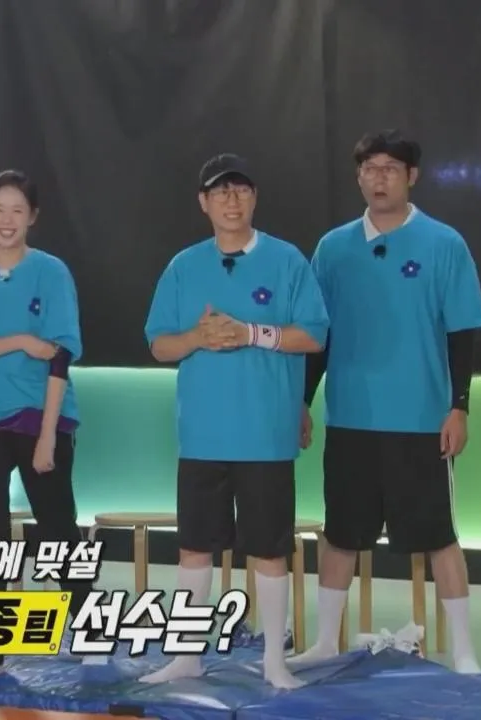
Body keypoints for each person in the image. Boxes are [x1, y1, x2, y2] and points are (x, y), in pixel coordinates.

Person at [289, 130, 481, 674]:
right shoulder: (333, 248)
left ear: (411, 177)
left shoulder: (444, 243)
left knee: (439, 537)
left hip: (421, 419)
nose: (380, 179)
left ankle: (464, 650)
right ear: (359, 176)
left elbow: (462, 332)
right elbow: (318, 336)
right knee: (341, 533)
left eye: (391, 169)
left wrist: (459, 405)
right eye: (370, 169)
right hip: (351, 416)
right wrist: (302, 401)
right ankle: (325, 642)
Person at [139, 154, 329, 689]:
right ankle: (186, 655)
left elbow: (314, 334)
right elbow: (158, 344)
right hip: (203, 434)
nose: (231, 199)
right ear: (203, 202)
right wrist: (197, 338)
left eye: (241, 189)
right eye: (220, 191)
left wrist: (252, 333)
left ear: (254, 198)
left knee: (268, 548)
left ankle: (273, 659)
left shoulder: (287, 260)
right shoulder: (183, 266)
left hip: (266, 435)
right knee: (194, 546)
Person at [0, 169, 102, 681]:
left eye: (17, 210)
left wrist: (49, 434)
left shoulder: (51, 272)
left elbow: (60, 355)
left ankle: (91, 634)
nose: (6, 220)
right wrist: (20, 341)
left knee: (59, 531)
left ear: (32, 216)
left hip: (39, 416)